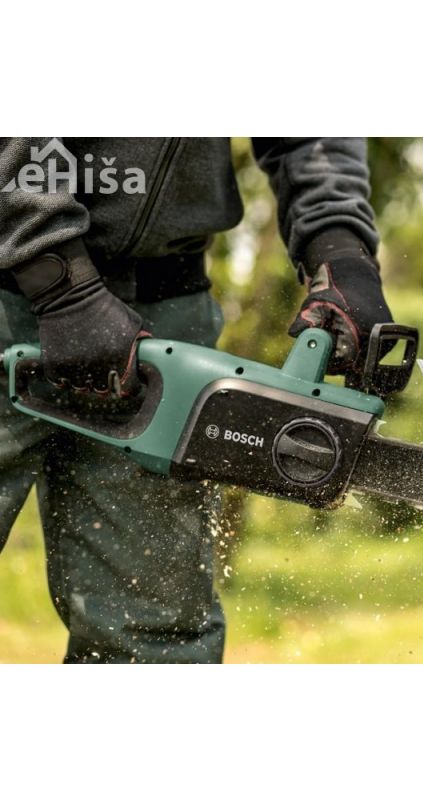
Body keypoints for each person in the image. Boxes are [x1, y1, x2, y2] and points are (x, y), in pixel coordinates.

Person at [0, 137, 393, 663]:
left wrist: (340, 250)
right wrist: (59, 279)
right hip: (10, 279)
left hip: (166, 306)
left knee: (153, 642)